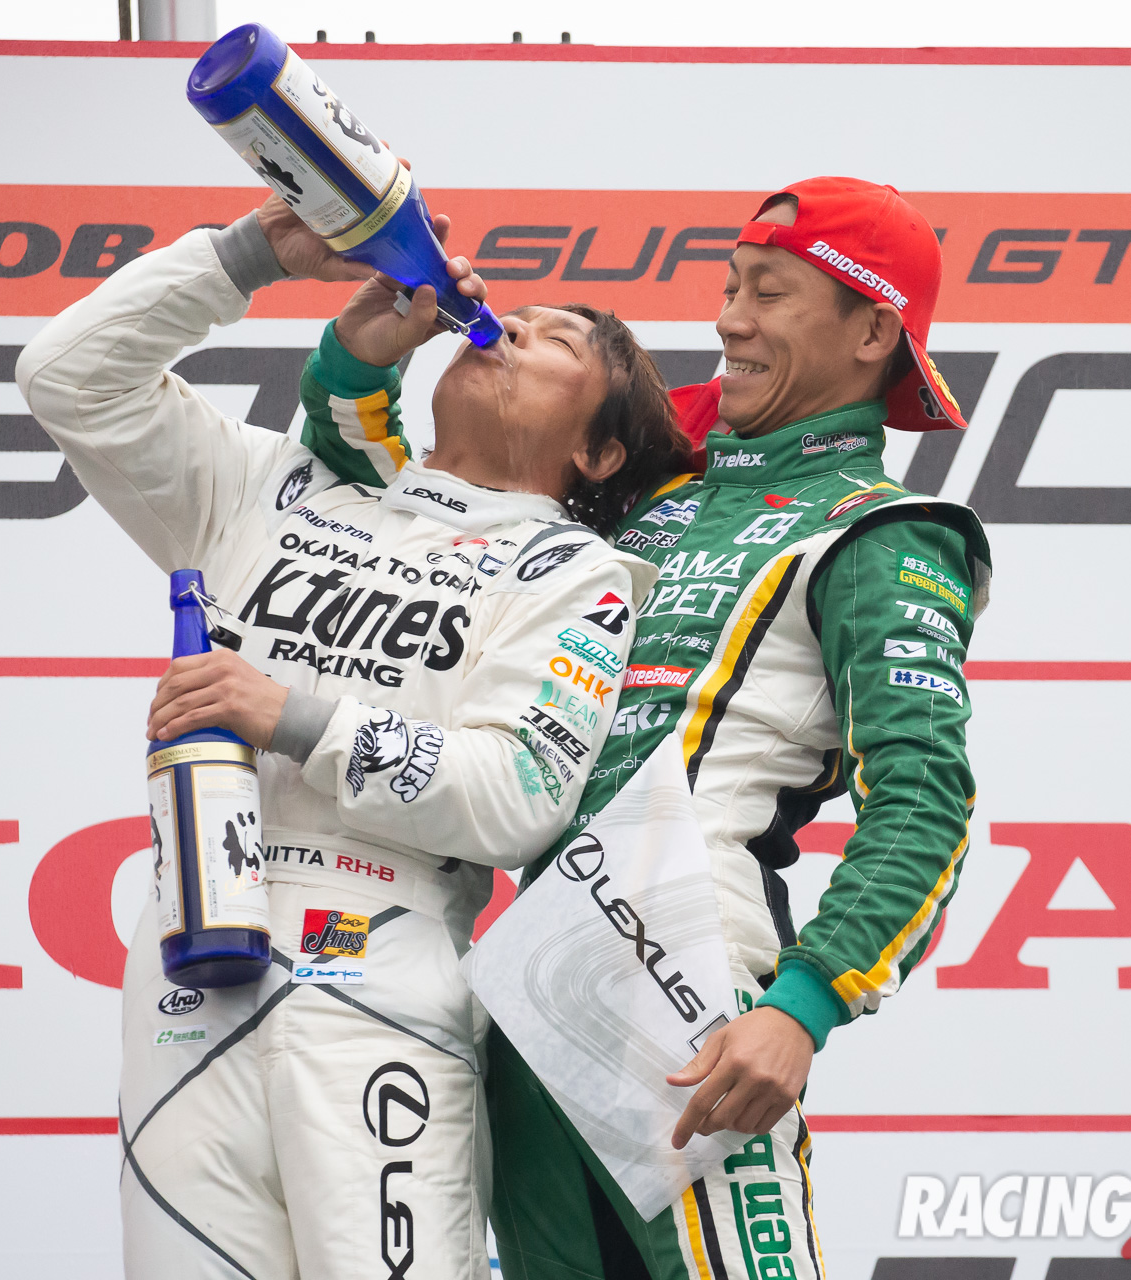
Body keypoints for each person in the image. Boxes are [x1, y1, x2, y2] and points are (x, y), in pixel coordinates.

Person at [292, 176, 991, 1280]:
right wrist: (356, 365)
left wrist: (804, 1006)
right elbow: (417, 515)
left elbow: (923, 801)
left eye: (770, 293)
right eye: (731, 286)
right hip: (527, 979)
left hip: (689, 985)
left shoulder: (885, 532)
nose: (730, 320)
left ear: (872, 333)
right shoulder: (656, 496)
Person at [17, 190, 688, 1280]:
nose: (512, 327)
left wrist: (290, 715)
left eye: (557, 342)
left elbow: (517, 794)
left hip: (381, 966)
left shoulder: (575, 575)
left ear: (600, 454)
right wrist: (252, 256)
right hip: (190, 961)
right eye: (517, 316)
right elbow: (68, 378)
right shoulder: (275, 486)